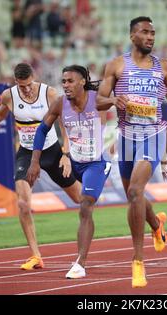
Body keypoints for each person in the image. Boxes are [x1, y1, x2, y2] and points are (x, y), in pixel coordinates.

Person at [0, 63, 81, 270]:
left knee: (79, 198)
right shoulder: (9, 96)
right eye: (22, 86)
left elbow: (64, 123)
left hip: (51, 151)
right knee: (23, 204)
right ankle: (36, 256)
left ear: (35, 78)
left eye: (29, 84)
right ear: (16, 83)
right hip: (26, 152)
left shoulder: (48, 93)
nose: (27, 89)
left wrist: (66, 154)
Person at [95, 16, 167, 288]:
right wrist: (113, 99)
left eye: (153, 33)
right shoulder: (116, 65)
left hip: (154, 134)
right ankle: (157, 225)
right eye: (145, 32)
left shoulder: (164, 66)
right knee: (132, 195)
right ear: (132, 36)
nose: (151, 37)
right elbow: (100, 101)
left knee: (136, 191)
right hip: (126, 136)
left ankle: (138, 262)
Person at [26, 65, 111, 279]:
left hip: (95, 164)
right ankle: (156, 224)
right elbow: (42, 129)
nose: (65, 85)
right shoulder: (59, 104)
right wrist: (34, 162)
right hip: (74, 162)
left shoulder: (96, 99)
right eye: (63, 81)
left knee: (85, 205)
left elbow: (118, 99)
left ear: (83, 81)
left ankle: (80, 263)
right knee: (82, 204)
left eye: (70, 81)